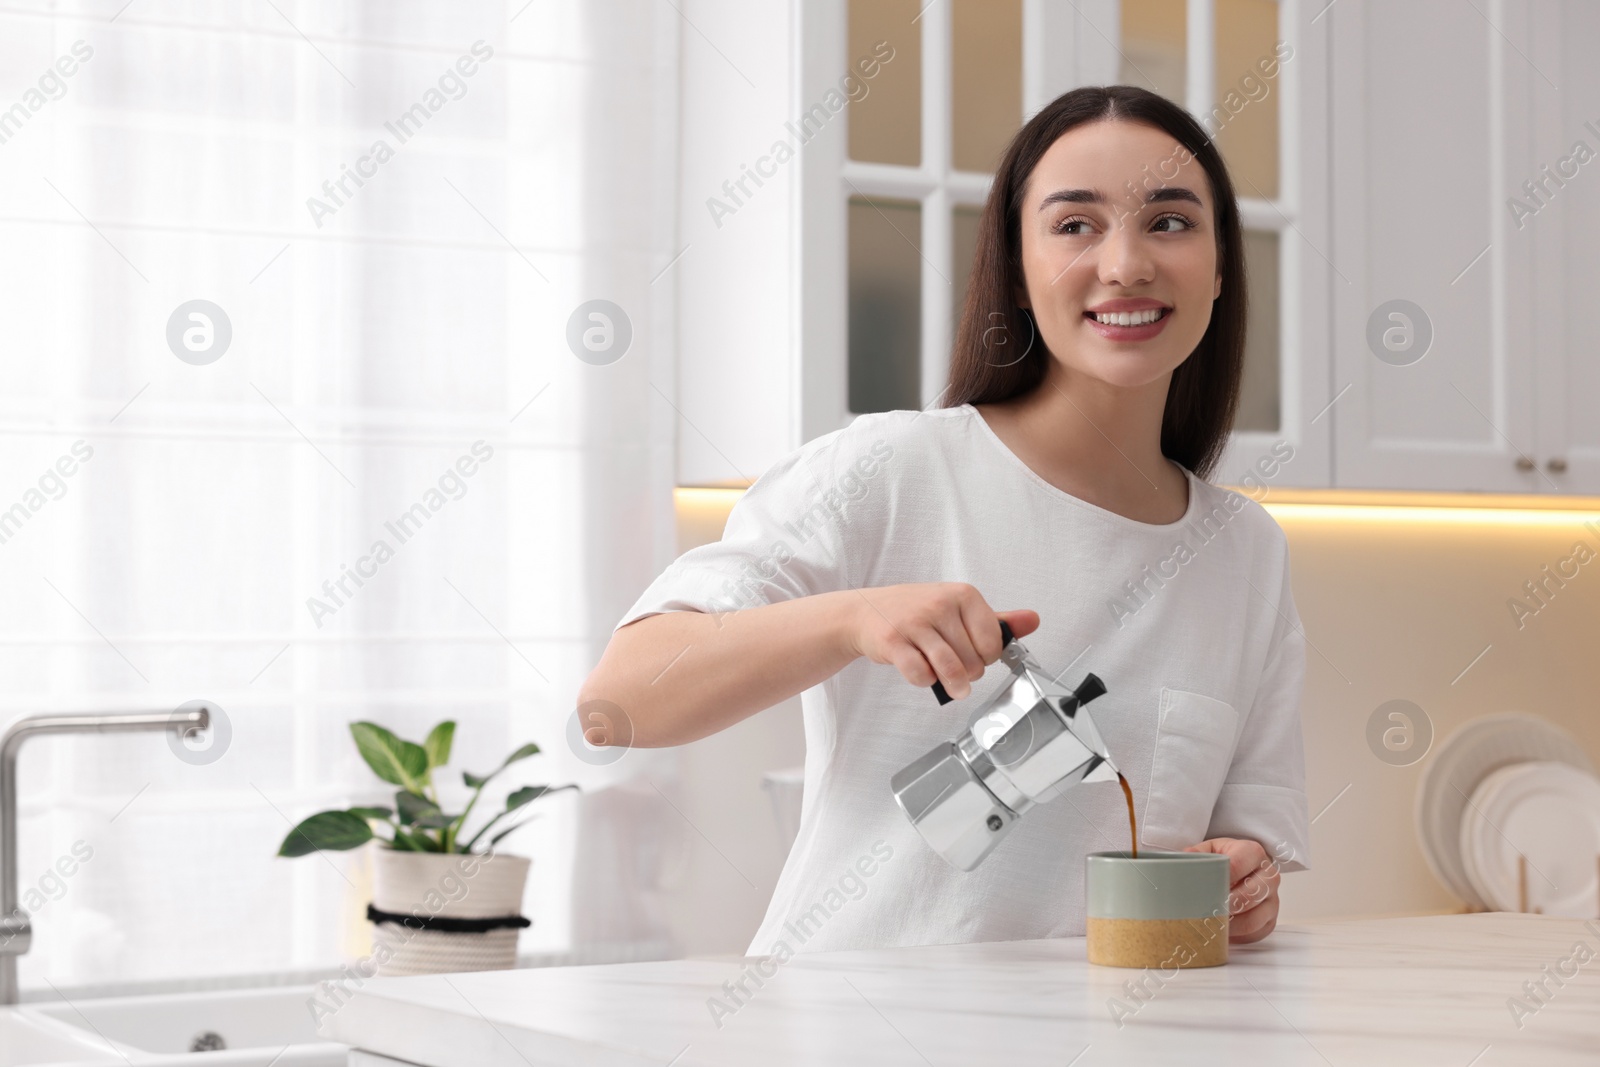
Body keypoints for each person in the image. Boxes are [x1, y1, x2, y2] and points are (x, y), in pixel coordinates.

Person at [579, 85, 1310, 957]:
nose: (1125, 264)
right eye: (1075, 225)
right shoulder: (892, 470)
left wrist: (1243, 880)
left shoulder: (1245, 554)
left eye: (1170, 222)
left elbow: (1245, 856)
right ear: (1016, 267)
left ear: (1222, 267)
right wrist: (853, 618)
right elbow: (616, 703)